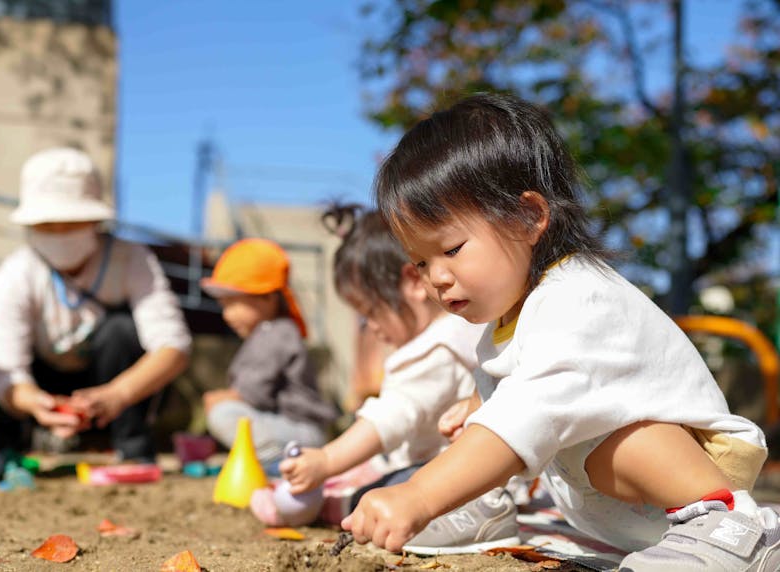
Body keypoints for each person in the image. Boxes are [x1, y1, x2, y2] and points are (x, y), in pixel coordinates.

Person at [341, 93, 780, 571]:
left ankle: (735, 527)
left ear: (529, 217)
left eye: (451, 249)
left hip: (699, 474)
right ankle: (488, 511)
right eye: (421, 262)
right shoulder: (512, 318)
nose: (436, 278)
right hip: (630, 512)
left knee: (566, 430)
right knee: (489, 423)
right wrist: (478, 407)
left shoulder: (579, 297)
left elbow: (531, 412)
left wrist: (420, 494)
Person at [265, 206, 516, 552]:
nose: (373, 329)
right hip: (477, 470)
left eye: (371, 313)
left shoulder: (435, 348)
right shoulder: (459, 333)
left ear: (412, 283)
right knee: (377, 474)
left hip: (463, 479)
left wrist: (326, 461)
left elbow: (389, 419)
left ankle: (333, 505)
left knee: (378, 492)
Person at [0, 147, 191, 461]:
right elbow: (3, 358)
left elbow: (172, 345)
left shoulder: (132, 259)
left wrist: (118, 393)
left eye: (70, 223)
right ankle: (6, 448)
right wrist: (33, 402)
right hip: (41, 379)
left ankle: (132, 446)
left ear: (95, 221)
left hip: (110, 379)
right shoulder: (16, 272)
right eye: (48, 225)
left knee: (121, 331)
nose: (59, 232)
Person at [201, 238, 337, 473]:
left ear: (268, 297)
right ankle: (268, 458)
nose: (227, 315)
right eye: (224, 305)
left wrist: (222, 397)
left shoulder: (275, 333)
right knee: (227, 412)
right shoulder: (270, 332)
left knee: (223, 413)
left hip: (301, 430)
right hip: (290, 429)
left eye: (234, 304)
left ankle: (271, 464)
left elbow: (253, 393)